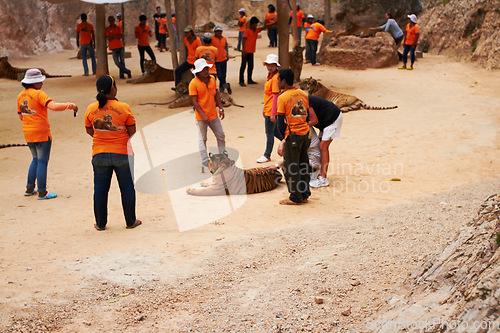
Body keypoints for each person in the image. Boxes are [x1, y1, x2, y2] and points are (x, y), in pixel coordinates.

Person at [84, 75, 142, 231]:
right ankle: (131, 221)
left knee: (100, 189)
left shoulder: (90, 108)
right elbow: (132, 130)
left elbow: (90, 130)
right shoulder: (123, 107)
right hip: (123, 153)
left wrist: (103, 137)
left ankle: (100, 223)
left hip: (99, 153)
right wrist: (119, 138)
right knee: (127, 188)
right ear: (113, 88)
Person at [16, 69, 78, 200]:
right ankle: (42, 192)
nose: (42, 84)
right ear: (35, 82)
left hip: (28, 133)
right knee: (43, 161)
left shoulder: (20, 96)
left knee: (35, 159)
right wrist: (70, 105)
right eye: (40, 81)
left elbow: (21, 116)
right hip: (42, 133)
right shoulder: (39, 94)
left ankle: (29, 188)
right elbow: (53, 106)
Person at [276, 68, 310, 205]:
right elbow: (306, 114)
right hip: (305, 134)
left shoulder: (282, 97)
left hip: (293, 135)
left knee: (290, 167)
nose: (277, 82)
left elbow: (279, 122)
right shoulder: (303, 94)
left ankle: (295, 197)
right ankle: (305, 193)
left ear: (284, 81)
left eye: (278, 80)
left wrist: (285, 138)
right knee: (303, 165)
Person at [188, 59, 226, 167]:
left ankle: (223, 156)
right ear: (198, 72)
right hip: (201, 117)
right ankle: (205, 160)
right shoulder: (193, 84)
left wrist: (221, 108)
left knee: (221, 135)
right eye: (203, 69)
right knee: (203, 139)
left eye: (206, 68)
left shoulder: (213, 79)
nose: (206, 71)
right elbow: (194, 102)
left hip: (213, 114)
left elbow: (216, 94)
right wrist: (203, 115)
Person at [306, 95, 343, 187]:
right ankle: (318, 172)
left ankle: (323, 178)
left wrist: (301, 126)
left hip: (332, 118)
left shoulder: (304, 101)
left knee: (323, 146)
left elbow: (314, 121)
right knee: (318, 146)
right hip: (324, 121)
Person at [256, 54, 283, 163]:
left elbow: (275, 96)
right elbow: (268, 95)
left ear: (276, 66)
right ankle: (290, 143)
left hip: (272, 109)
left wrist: (273, 113)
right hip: (268, 107)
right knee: (275, 132)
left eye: (272, 65)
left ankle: (267, 154)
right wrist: (264, 107)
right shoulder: (270, 76)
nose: (270, 67)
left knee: (270, 133)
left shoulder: (275, 78)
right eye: (268, 65)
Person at [239, 16, 264, 87]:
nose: (256, 26)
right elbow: (243, 40)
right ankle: (241, 81)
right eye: (255, 24)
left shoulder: (255, 30)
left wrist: (273, 24)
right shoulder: (247, 31)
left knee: (250, 66)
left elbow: (263, 28)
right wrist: (243, 50)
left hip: (251, 51)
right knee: (243, 66)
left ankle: (249, 79)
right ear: (252, 24)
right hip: (246, 51)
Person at [211, 25, 231, 94]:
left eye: (220, 31)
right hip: (216, 60)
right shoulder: (212, 38)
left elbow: (226, 48)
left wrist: (227, 55)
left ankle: (222, 88)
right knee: (219, 75)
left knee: (224, 74)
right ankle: (226, 85)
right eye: (217, 31)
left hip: (223, 59)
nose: (218, 33)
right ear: (215, 32)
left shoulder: (224, 39)